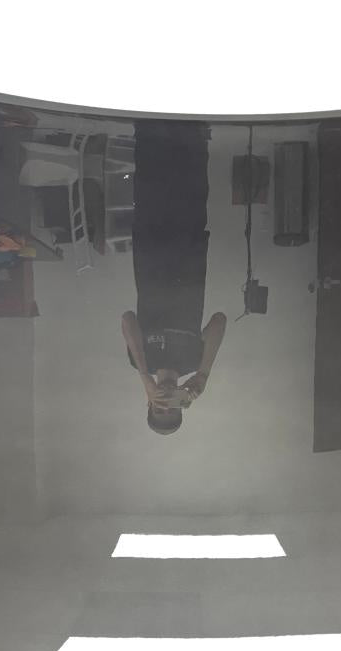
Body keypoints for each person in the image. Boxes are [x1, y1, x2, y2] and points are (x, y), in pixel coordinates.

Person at [120, 120, 227, 435]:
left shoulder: (141, 361)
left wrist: (145, 376)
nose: (166, 403)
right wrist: (203, 375)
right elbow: (219, 321)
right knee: (191, 187)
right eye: (173, 409)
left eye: (158, 408)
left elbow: (128, 319)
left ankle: (148, 126)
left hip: (151, 253)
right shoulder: (194, 361)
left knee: (150, 185)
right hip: (189, 253)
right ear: (182, 405)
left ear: (149, 402)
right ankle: (194, 129)